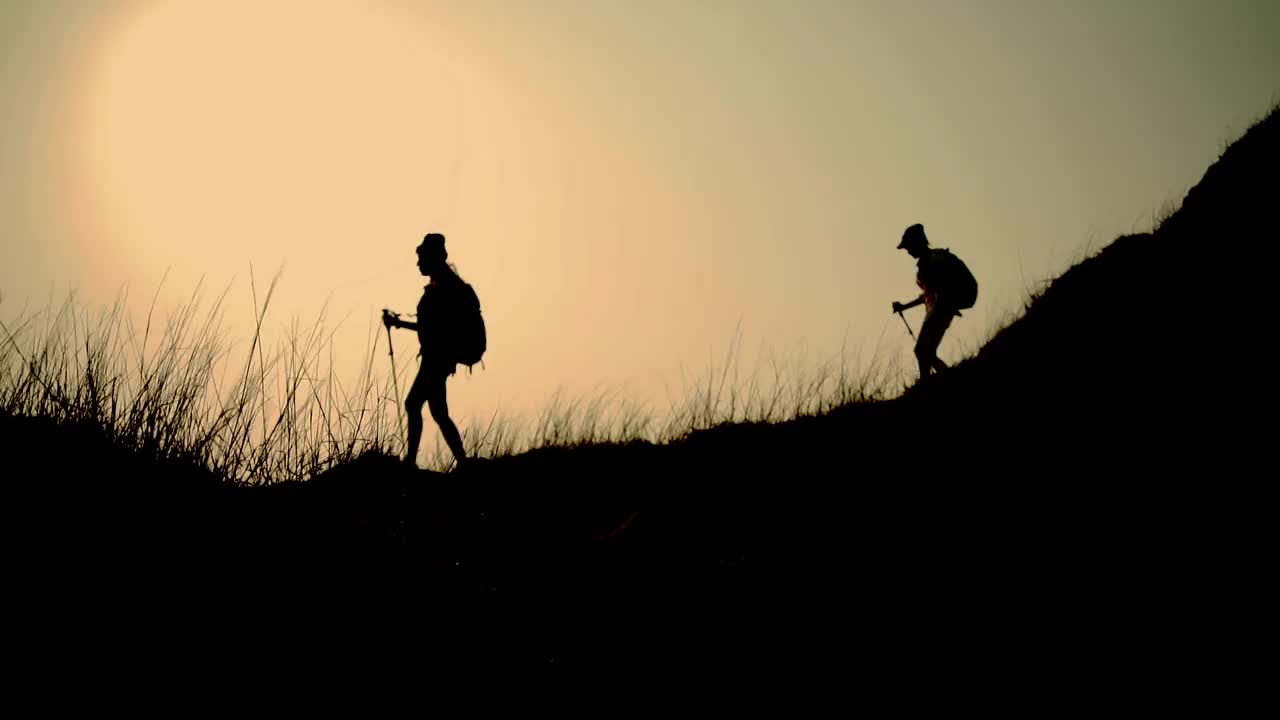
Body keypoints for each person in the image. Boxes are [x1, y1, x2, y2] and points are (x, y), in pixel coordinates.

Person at [382, 233, 477, 468]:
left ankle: (411, 462)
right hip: (440, 358)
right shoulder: (445, 284)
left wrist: (399, 324)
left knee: (413, 404)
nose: (418, 264)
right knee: (438, 412)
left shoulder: (443, 287)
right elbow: (432, 326)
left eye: (421, 258)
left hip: (436, 359)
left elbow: (434, 327)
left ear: (432, 258)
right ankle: (463, 461)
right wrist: (400, 324)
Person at [891, 223, 977, 382]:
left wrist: (942, 306)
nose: (908, 251)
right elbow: (928, 295)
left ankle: (931, 385)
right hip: (943, 309)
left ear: (917, 243)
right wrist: (904, 306)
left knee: (922, 352)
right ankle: (936, 382)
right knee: (925, 352)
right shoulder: (933, 259)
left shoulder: (930, 263)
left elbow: (935, 292)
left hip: (940, 310)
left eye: (908, 247)